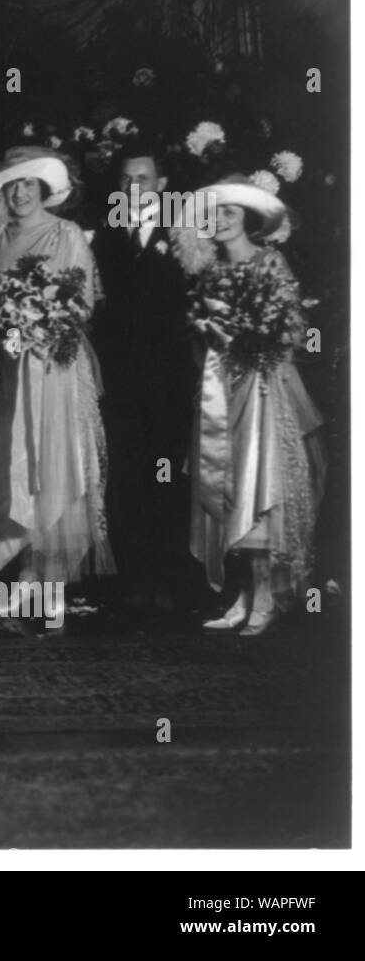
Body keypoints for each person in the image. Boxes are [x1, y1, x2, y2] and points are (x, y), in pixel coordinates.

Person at [0, 147, 114, 608]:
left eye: (28, 183)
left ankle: (47, 577)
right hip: (6, 368)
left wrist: (40, 322)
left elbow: (82, 303)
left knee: (50, 461)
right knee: (13, 464)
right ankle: (23, 570)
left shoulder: (66, 234)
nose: (21, 192)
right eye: (12, 185)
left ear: (43, 188)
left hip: (52, 368)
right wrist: (7, 325)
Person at [189, 178, 325, 636]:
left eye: (229, 213)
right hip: (221, 389)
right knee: (229, 484)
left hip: (265, 387)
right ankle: (244, 592)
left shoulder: (270, 262)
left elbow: (288, 327)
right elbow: (199, 340)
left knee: (259, 483)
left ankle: (266, 595)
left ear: (247, 219)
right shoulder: (209, 272)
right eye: (214, 214)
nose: (220, 221)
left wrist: (253, 344)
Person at [90, 143, 198, 614]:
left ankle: (171, 578)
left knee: (168, 476)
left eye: (143, 178)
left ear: (162, 185)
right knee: (126, 476)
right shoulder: (104, 239)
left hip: (170, 381)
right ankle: (132, 579)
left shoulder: (184, 234)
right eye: (126, 180)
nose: (135, 187)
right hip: (120, 381)